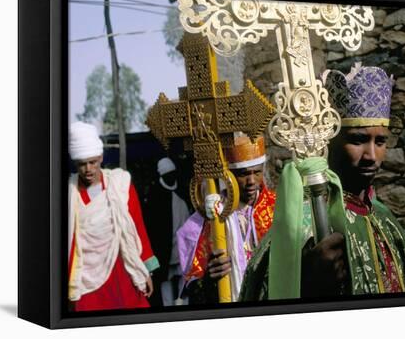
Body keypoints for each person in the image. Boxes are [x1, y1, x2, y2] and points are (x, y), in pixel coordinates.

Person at [240, 64, 405, 301]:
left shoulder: (384, 218)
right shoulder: (301, 227)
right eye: (358, 140)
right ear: (330, 141)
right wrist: (307, 285)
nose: (371, 154)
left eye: (380, 141)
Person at [67, 122, 159, 311]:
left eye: (92, 162)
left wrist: (145, 270)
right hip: (86, 277)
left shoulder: (120, 184)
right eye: (82, 164)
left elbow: (137, 227)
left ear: (101, 157)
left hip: (122, 269)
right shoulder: (68, 193)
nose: (88, 169)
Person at [176, 133, 276, 303]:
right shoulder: (208, 217)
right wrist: (208, 279)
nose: (252, 181)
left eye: (257, 173)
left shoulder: (277, 207)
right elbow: (193, 289)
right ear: (228, 176)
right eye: (243, 174)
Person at [144, 157, 191, 307]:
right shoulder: (155, 196)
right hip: (164, 249)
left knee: (183, 280)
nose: (171, 177)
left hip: (182, 247)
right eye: (168, 174)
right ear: (162, 176)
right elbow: (152, 227)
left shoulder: (182, 190)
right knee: (165, 282)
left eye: (173, 173)